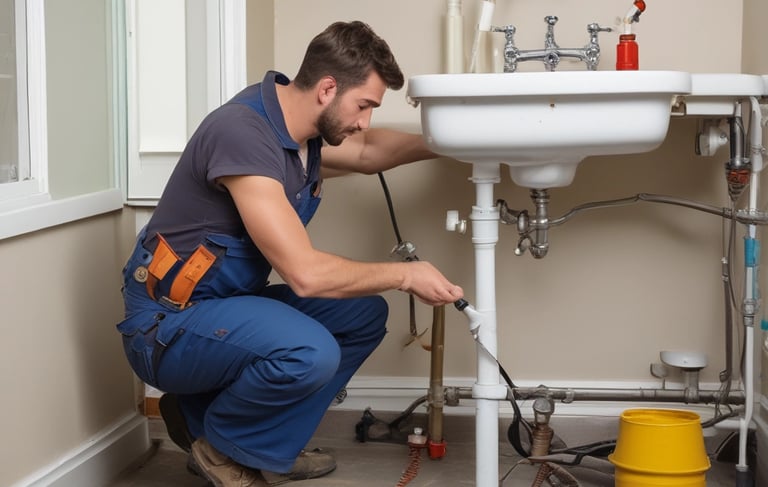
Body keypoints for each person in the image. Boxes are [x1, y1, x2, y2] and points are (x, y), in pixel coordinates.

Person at [117, 20, 463, 486]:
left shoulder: (299, 136)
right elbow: (304, 274)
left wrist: (451, 140)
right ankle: (224, 447)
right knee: (309, 350)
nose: (365, 121)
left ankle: (258, 444)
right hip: (167, 326)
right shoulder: (242, 133)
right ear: (327, 88)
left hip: (220, 310)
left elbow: (366, 153)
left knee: (361, 316)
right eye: (364, 105)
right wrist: (405, 275)